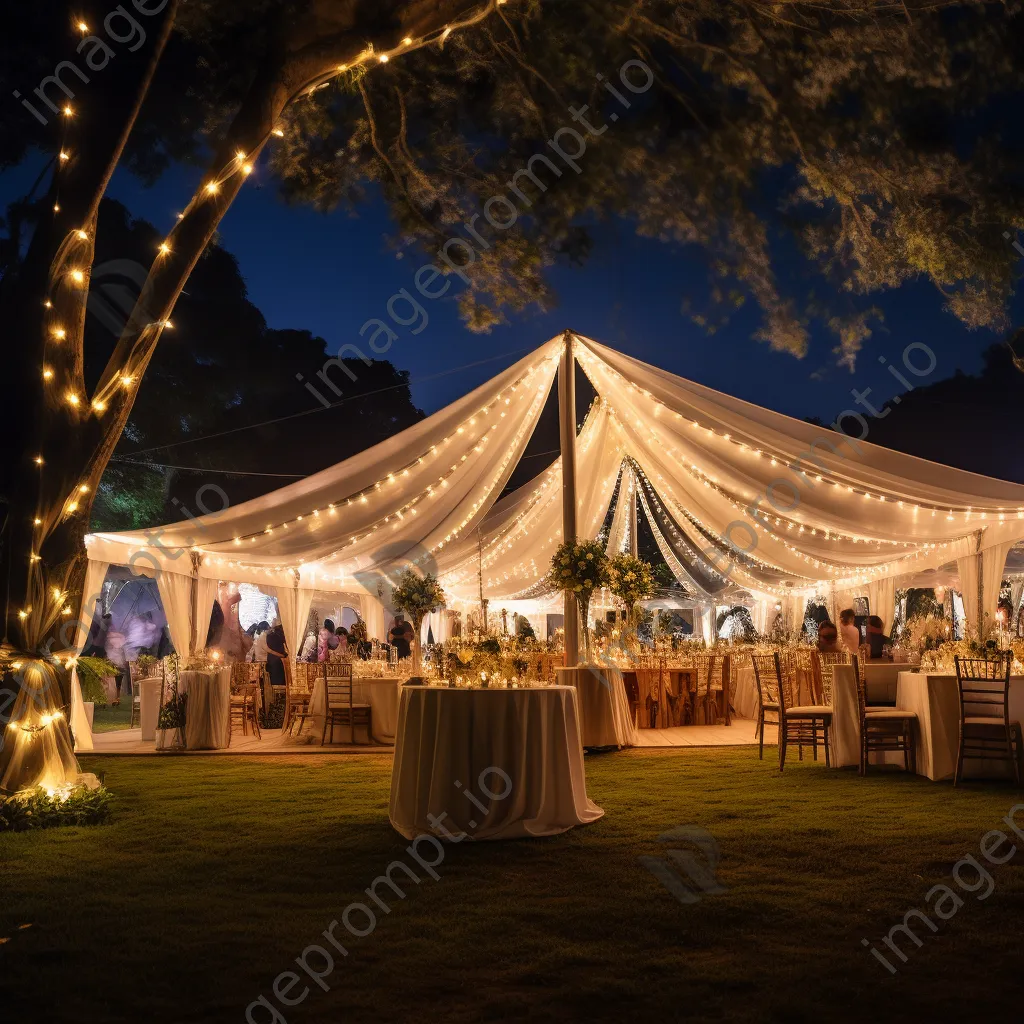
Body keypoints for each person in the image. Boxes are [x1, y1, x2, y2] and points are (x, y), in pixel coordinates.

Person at [265, 620, 288, 688]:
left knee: (273, 679)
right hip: (279, 660)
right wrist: (284, 655)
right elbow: (285, 648)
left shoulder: (269, 635)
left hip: (270, 659)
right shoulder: (280, 635)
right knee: (280, 679)